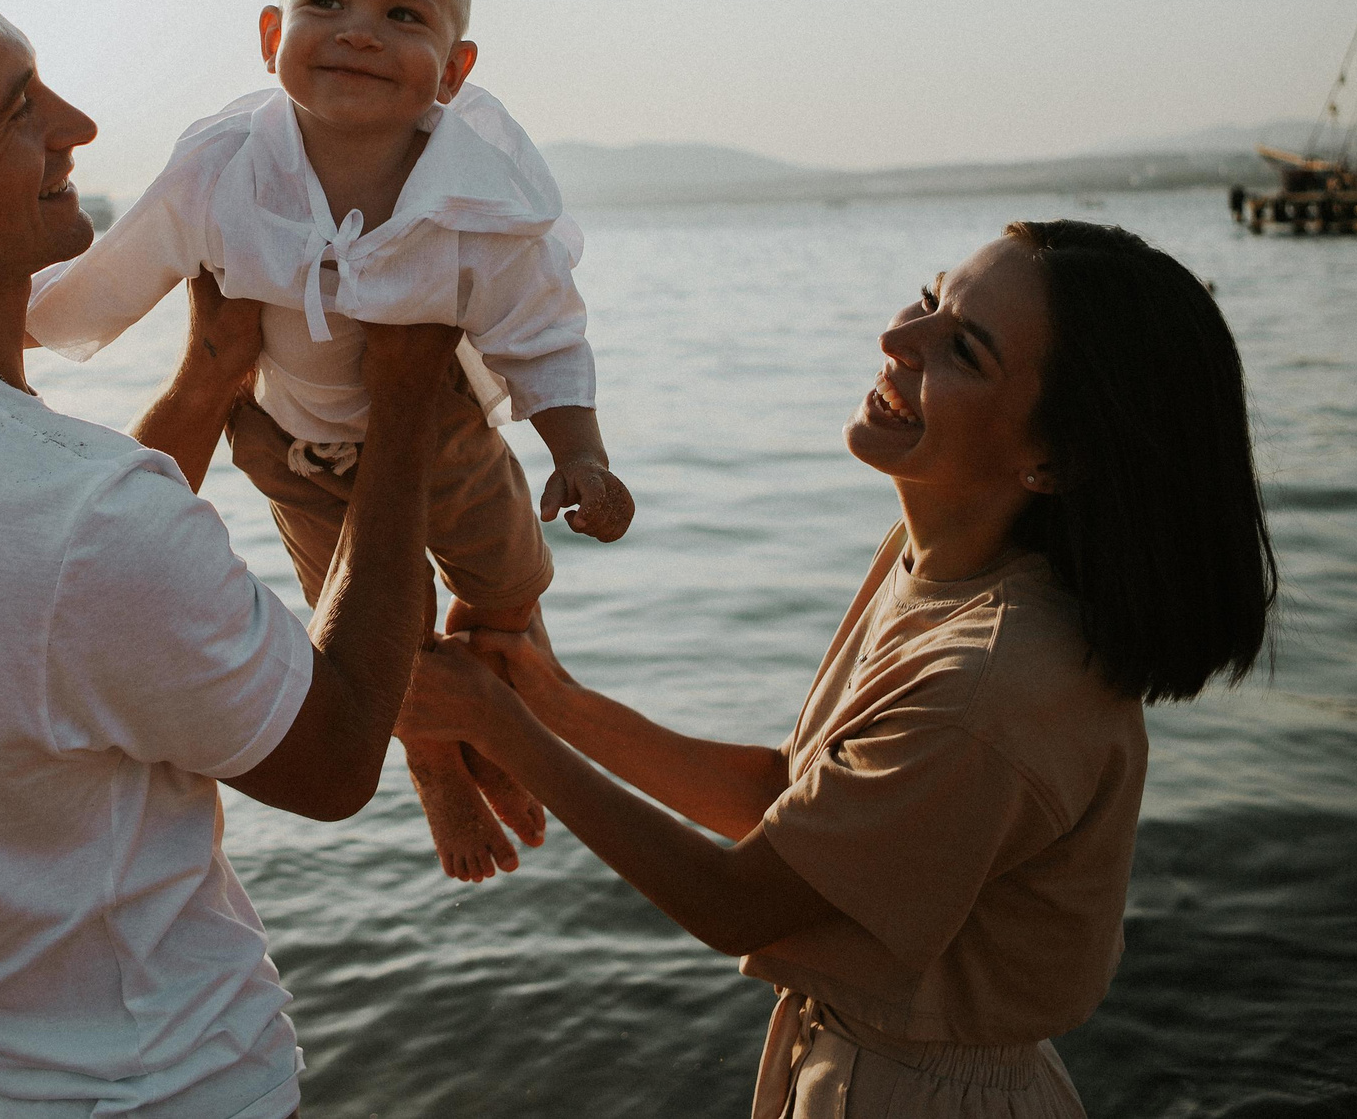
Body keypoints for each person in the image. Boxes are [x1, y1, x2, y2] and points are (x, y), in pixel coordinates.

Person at [0, 0, 460, 1119]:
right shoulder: (83, 520)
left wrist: (214, 371)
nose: (78, 125)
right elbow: (327, 760)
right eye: (20, 108)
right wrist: (409, 395)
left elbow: (43, 585)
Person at [406, 221, 1277, 1116]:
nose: (898, 340)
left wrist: (500, 728)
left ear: (1052, 458)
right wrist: (556, 704)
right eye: (933, 298)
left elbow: (738, 902)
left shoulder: (987, 685)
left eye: (963, 349)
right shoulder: (943, 564)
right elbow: (799, 803)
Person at [27, 0, 635, 883]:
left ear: (451, 68)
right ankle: (432, 762)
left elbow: (540, 324)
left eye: (403, 15)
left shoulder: (479, 187)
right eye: (326, 3)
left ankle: (514, 702)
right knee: (360, 642)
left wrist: (580, 450)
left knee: (511, 582)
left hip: (443, 429)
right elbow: (111, 278)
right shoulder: (222, 167)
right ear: (272, 38)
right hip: (288, 446)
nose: (358, 30)